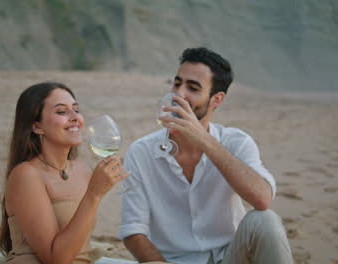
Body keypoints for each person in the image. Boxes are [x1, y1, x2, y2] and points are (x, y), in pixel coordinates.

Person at [119, 47, 293, 264]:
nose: (178, 94)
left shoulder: (236, 142)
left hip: (229, 258)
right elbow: (133, 231)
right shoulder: (141, 151)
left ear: (216, 99)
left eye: (192, 88)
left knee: (264, 219)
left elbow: (262, 198)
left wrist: (204, 140)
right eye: (177, 83)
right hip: (171, 262)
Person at [0, 81, 130, 264]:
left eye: (76, 109)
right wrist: (94, 194)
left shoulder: (82, 169)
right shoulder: (26, 175)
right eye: (61, 111)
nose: (75, 117)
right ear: (37, 126)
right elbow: (56, 260)